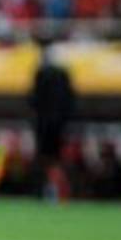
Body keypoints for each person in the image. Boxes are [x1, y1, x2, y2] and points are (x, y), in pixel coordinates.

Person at [28, 37, 75, 201]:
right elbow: (70, 100)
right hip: (59, 125)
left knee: (45, 158)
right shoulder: (63, 75)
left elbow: (33, 99)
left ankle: (45, 190)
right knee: (56, 158)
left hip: (44, 124)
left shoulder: (41, 73)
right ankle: (58, 190)